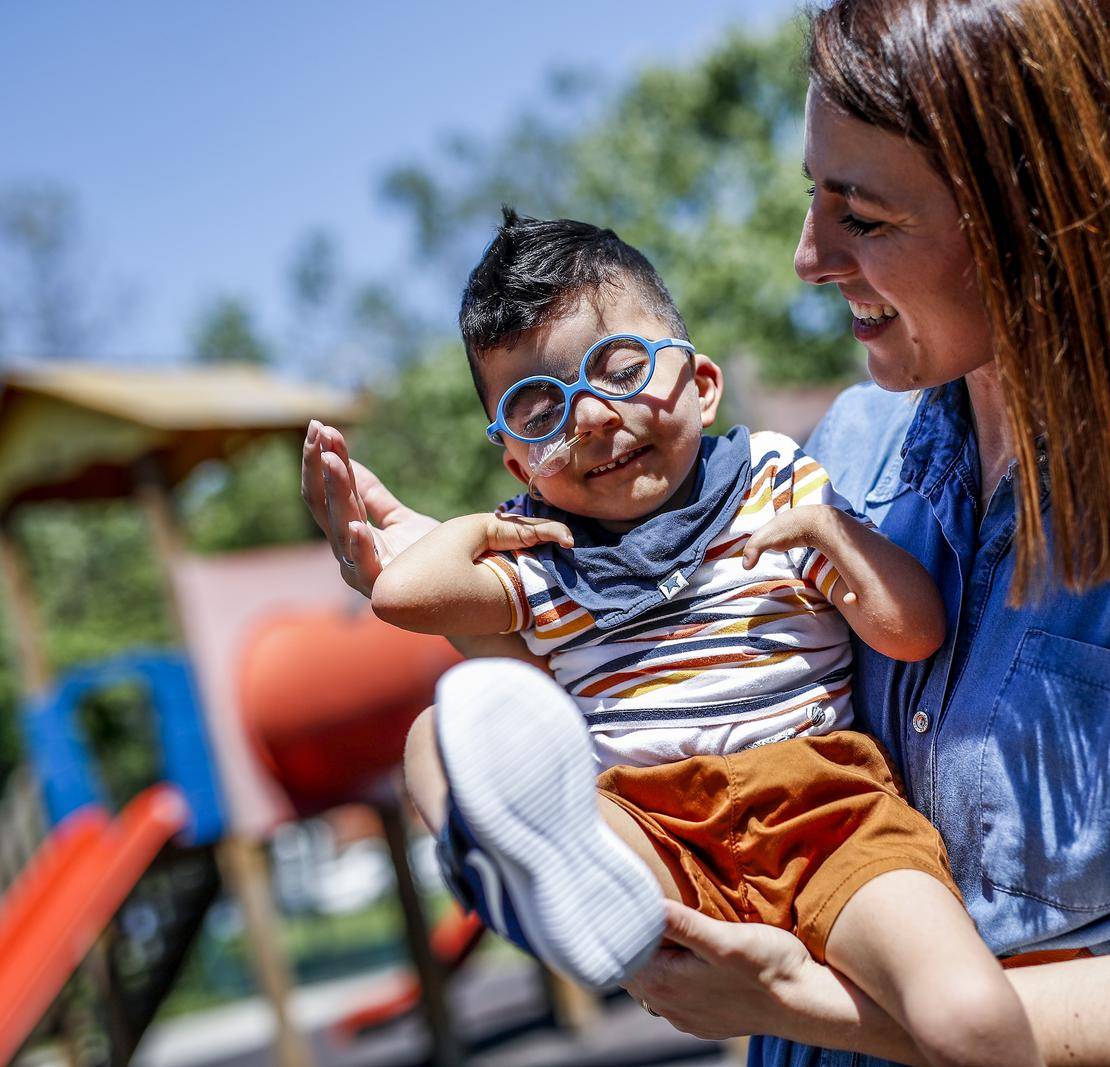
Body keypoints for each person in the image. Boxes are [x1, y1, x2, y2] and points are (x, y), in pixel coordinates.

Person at [302, 0, 1110, 1062]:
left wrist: (813, 1006)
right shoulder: (856, 447)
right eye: (812, 197)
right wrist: (478, 633)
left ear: (1038, 220)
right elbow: (637, 693)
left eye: (864, 214)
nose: (808, 254)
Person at [368, 209, 1042, 1067]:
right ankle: (532, 873)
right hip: (646, 828)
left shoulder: (773, 487)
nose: (592, 418)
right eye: (540, 411)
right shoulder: (542, 555)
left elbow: (913, 633)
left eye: (619, 370)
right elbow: (402, 593)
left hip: (824, 814)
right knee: (439, 732)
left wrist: (836, 537)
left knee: (972, 1015)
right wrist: (473, 528)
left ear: (702, 383)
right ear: (516, 461)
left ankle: (551, 870)